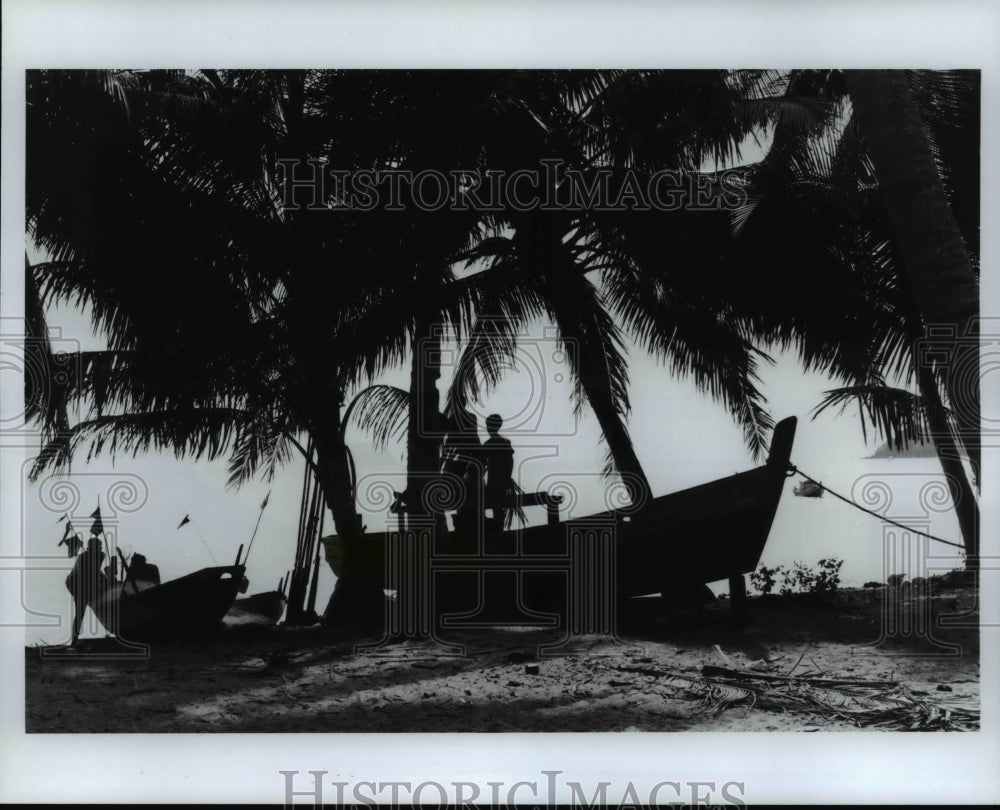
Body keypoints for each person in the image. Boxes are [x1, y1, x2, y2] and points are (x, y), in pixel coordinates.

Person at [65, 537, 106, 646]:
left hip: (89, 584)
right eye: (96, 547)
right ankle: (74, 640)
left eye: (99, 547)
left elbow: (95, 570)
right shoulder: (82, 558)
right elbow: (83, 574)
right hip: (75, 583)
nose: (99, 549)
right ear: (89, 548)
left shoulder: (100, 555)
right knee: (80, 612)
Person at [483, 413, 515, 531]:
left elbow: (509, 462)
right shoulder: (504, 442)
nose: (489, 428)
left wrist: (507, 479)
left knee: (497, 507)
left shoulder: (489, 445)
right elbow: (510, 462)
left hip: (497, 481)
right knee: (499, 508)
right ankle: (498, 530)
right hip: (499, 480)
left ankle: (497, 531)